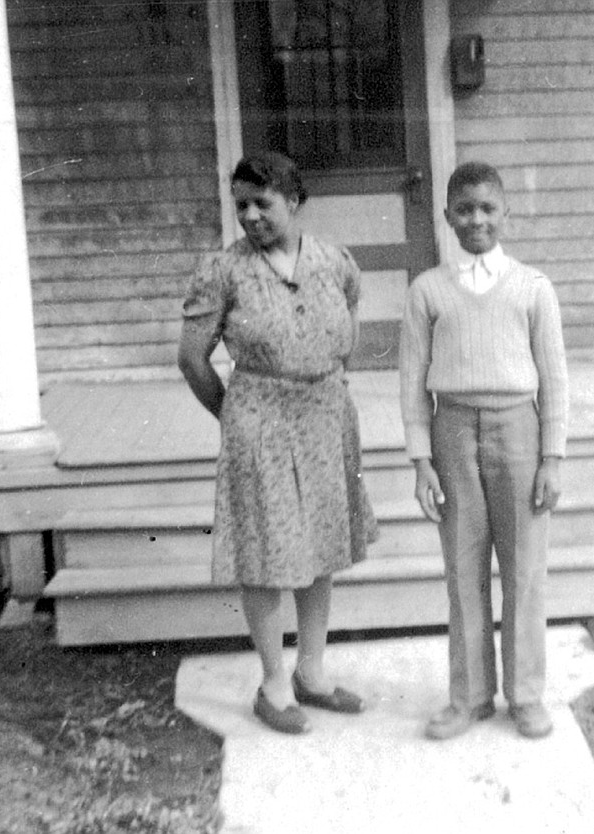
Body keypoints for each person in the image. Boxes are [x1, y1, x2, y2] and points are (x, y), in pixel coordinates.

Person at [177, 151, 376, 735]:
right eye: (241, 204)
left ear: (295, 201)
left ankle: (312, 673)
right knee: (265, 552)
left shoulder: (336, 262)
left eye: (263, 202)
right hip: (258, 420)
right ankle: (272, 683)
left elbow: (348, 327)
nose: (251, 215)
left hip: (324, 416)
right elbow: (191, 359)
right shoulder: (223, 271)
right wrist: (236, 418)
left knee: (321, 543)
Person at [399, 160, 569, 740]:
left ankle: (525, 695)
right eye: (464, 209)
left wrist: (552, 456)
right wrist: (421, 459)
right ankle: (469, 697)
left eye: (487, 208)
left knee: (523, 569)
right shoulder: (427, 290)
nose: (476, 219)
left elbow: (556, 377)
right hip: (452, 430)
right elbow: (411, 381)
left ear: (505, 213)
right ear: (447, 215)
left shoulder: (533, 287)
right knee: (463, 569)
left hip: (518, 428)